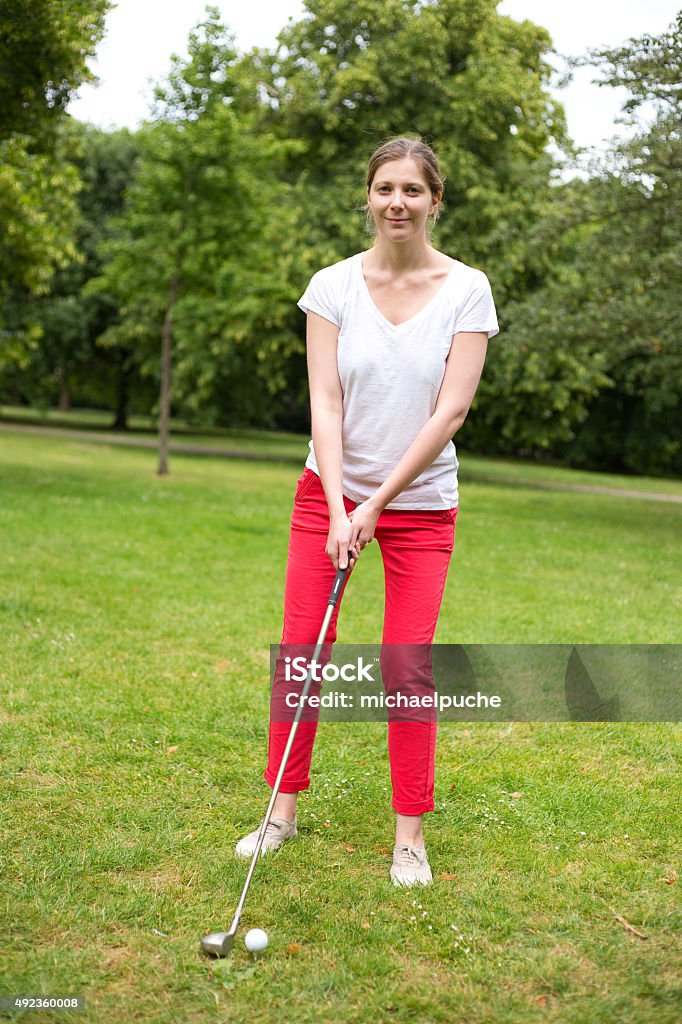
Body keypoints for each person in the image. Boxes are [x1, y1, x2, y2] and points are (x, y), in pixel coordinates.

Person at [236, 135, 499, 886]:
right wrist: (337, 500)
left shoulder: (466, 289)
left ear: (435, 200)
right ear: (368, 196)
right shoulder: (333, 286)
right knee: (304, 655)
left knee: (405, 665)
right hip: (328, 497)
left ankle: (409, 837)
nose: (397, 203)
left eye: (413, 190)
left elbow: (450, 412)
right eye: (385, 188)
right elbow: (325, 397)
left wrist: (375, 504)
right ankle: (280, 812)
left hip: (418, 507)